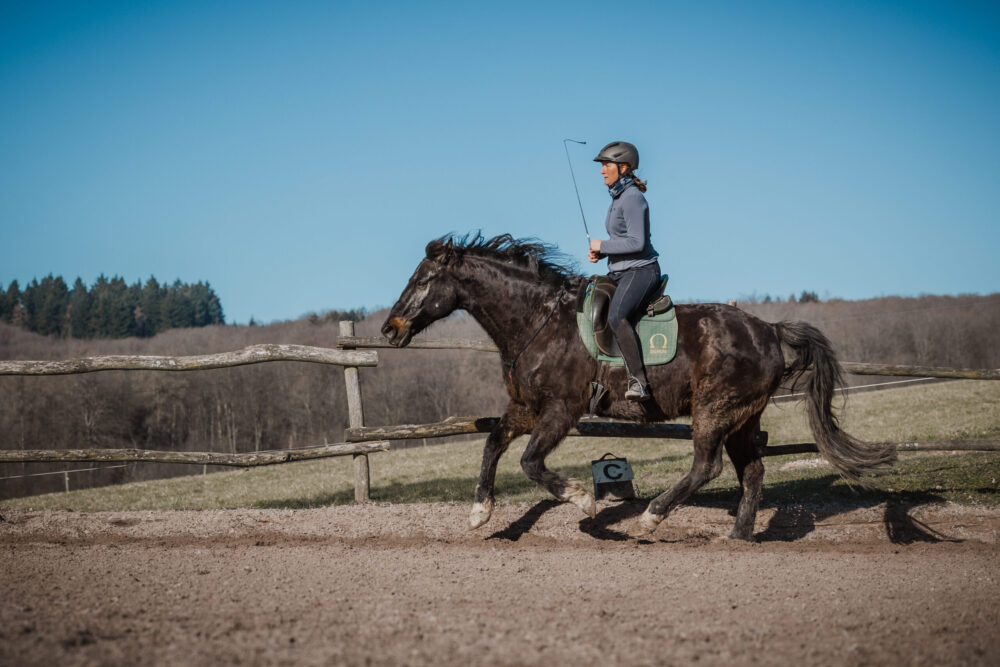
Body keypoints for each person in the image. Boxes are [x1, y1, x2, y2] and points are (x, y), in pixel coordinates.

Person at [588, 141, 661, 401]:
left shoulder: (632, 198)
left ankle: (639, 383)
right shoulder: (618, 198)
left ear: (624, 167)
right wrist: (604, 252)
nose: (602, 170)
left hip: (641, 271)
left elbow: (637, 243)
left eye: (606, 165)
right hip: (620, 271)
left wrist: (603, 244)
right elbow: (625, 241)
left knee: (617, 316)